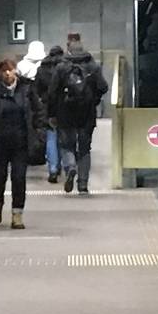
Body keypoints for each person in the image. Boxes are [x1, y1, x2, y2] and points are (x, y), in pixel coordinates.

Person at [0, 56, 44, 229]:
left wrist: (39, 135)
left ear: (16, 70)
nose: (7, 73)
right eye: (3, 70)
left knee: (19, 178)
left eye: (10, 70)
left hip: (21, 142)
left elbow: (38, 113)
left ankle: (17, 214)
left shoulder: (26, 89)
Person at [45, 32, 104, 195]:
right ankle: (83, 184)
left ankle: (70, 167)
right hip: (87, 113)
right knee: (85, 149)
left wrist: (51, 114)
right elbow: (103, 87)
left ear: (69, 49)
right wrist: (94, 100)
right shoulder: (92, 66)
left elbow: (52, 92)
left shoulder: (61, 67)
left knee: (66, 145)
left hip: (65, 112)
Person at [22, 40, 59, 181]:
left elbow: (36, 88)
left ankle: (53, 168)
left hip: (44, 105)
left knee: (50, 137)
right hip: (64, 107)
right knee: (64, 139)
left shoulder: (38, 68)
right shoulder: (65, 68)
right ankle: (66, 165)